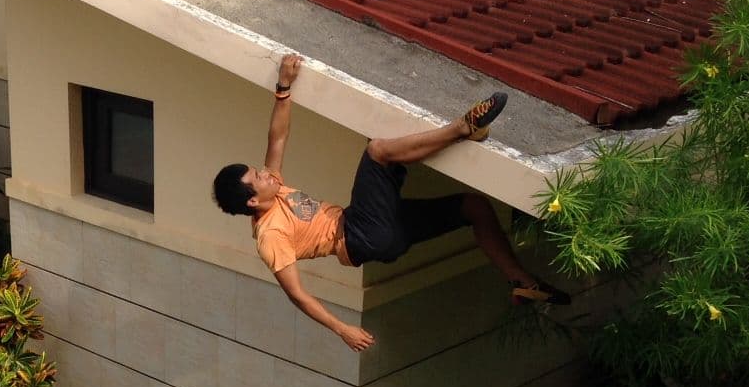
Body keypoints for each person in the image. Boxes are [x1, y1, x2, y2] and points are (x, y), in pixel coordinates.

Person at [212, 54, 568, 353]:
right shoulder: (270, 235)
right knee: (377, 152)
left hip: (379, 229)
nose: (265, 172)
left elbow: (278, 137)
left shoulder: (273, 189)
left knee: (473, 207)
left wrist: (283, 87)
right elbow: (297, 295)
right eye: (257, 178)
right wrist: (342, 329)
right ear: (254, 201)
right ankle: (463, 128)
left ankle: (522, 282)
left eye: (257, 170)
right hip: (360, 235)